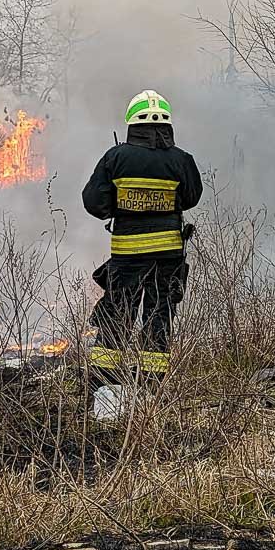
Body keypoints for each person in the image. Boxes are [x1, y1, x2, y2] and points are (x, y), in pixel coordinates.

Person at [82, 90, 202, 413]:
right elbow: (191, 197)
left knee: (117, 317)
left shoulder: (116, 158)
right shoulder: (181, 160)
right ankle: (150, 394)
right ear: (166, 124)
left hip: (127, 257)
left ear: (132, 123)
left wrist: (120, 206)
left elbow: (94, 202)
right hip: (168, 258)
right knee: (158, 318)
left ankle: (106, 394)